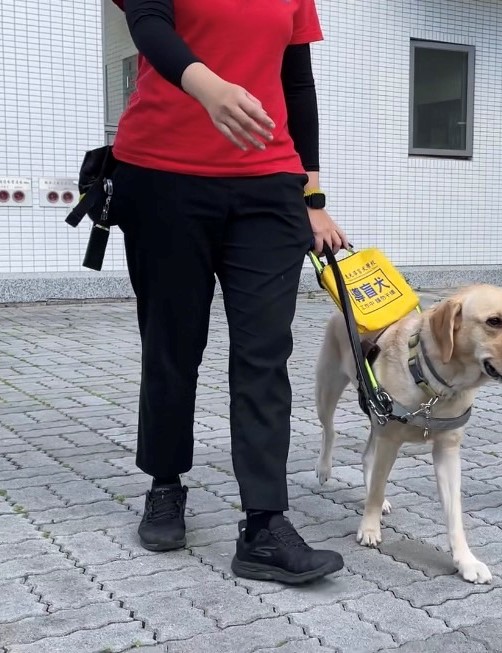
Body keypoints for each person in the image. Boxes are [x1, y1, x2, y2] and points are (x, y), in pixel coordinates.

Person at [109, 0, 348, 585]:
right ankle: (165, 486)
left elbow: (298, 82)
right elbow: (149, 26)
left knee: (265, 354)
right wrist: (208, 86)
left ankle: (265, 524)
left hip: (267, 187)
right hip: (164, 177)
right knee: (172, 346)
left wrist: (312, 198)